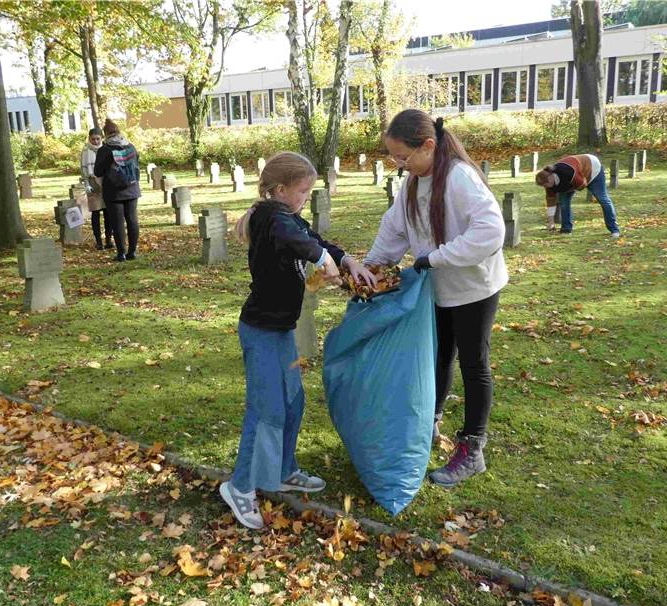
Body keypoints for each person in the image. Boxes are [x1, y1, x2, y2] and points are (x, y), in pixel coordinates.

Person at [220, 151, 376, 529]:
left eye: (309, 191)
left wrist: (345, 260)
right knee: (265, 409)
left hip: (281, 331)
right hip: (259, 332)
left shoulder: (287, 215)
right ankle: (239, 486)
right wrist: (322, 258)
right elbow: (300, 241)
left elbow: (310, 237)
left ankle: (285, 468)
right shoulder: (268, 217)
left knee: (293, 401)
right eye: (303, 190)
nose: (306, 196)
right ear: (279, 189)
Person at [364, 110, 508, 488]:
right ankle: (426, 426)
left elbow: (491, 230)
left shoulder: (459, 177)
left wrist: (437, 257)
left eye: (403, 156)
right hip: (439, 286)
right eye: (393, 157)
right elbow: (393, 231)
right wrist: (369, 271)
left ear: (428, 145)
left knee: (473, 363)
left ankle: (472, 448)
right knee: (439, 356)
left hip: (474, 287)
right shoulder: (413, 182)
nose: (398, 164)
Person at [535, 154, 621, 239]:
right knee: (564, 202)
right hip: (575, 178)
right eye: (543, 186)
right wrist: (551, 222)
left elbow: (582, 184)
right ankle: (566, 229)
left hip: (592, 167)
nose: (545, 187)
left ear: (550, 177)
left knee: (602, 198)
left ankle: (614, 229)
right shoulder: (549, 185)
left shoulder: (567, 172)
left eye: (545, 184)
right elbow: (551, 202)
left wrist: (567, 191)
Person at [93, 119, 140, 261]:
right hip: (132, 188)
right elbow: (136, 164)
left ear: (106, 134)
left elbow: (98, 171)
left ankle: (121, 253)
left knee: (117, 222)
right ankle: (132, 252)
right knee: (132, 219)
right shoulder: (130, 146)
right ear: (118, 131)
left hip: (113, 192)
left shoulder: (105, 149)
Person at [80, 128, 114, 251]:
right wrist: (86, 184)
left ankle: (109, 240)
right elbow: (83, 170)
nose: (95, 141)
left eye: (97, 139)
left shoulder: (105, 150)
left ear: (102, 138)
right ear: (89, 138)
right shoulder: (86, 151)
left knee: (107, 212)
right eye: (93, 139)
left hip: (105, 182)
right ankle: (98, 241)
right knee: (95, 212)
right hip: (92, 182)